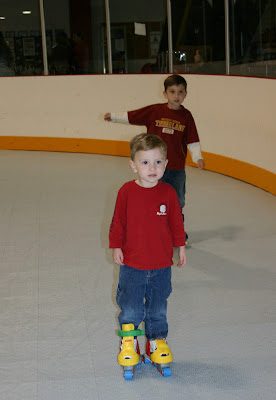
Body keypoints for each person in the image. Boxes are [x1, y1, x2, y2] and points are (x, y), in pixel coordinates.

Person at [109, 133, 186, 374]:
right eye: (145, 162)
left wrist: (180, 246)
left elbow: (176, 222)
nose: (152, 168)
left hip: (161, 264)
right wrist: (116, 246)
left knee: (158, 306)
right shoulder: (126, 192)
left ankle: (155, 341)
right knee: (131, 306)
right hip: (132, 263)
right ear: (133, 166)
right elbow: (118, 221)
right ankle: (129, 341)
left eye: (158, 162)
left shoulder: (169, 193)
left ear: (166, 163)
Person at [104, 74, 204, 243]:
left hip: (176, 169)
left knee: (177, 201)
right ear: (165, 94)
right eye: (172, 91)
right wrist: (114, 116)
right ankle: (154, 228)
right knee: (153, 197)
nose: (176, 95)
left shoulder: (186, 116)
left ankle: (177, 232)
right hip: (153, 167)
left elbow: (193, 139)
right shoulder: (155, 111)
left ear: (185, 94)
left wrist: (198, 157)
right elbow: (133, 115)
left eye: (180, 92)